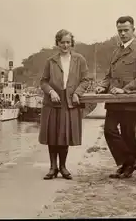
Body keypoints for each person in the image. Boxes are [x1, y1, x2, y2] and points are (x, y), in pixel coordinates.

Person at [95, 16, 136, 179]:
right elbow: (109, 74)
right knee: (109, 130)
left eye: (126, 30)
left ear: (133, 30)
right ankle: (131, 161)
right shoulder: (116, 51)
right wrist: (102, 85)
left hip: (130, 99)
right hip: (114, 99)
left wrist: (124, 90)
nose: (123, 33)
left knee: (128, 133)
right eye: (120, 30)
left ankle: (127, 167)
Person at [39, 29, 90, 180]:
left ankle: (63, 167)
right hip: (53, 103)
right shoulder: (51, 61)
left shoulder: (79, 59)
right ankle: (52, 167)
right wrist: (51, 92)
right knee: (53, 135)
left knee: (64, 135)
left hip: (69, 102)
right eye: (62, 42)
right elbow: (43, 81)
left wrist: (77, 93)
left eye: (68, 42)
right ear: (58, 43)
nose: (65, 45)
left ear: (71, 43)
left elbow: (85, 79)